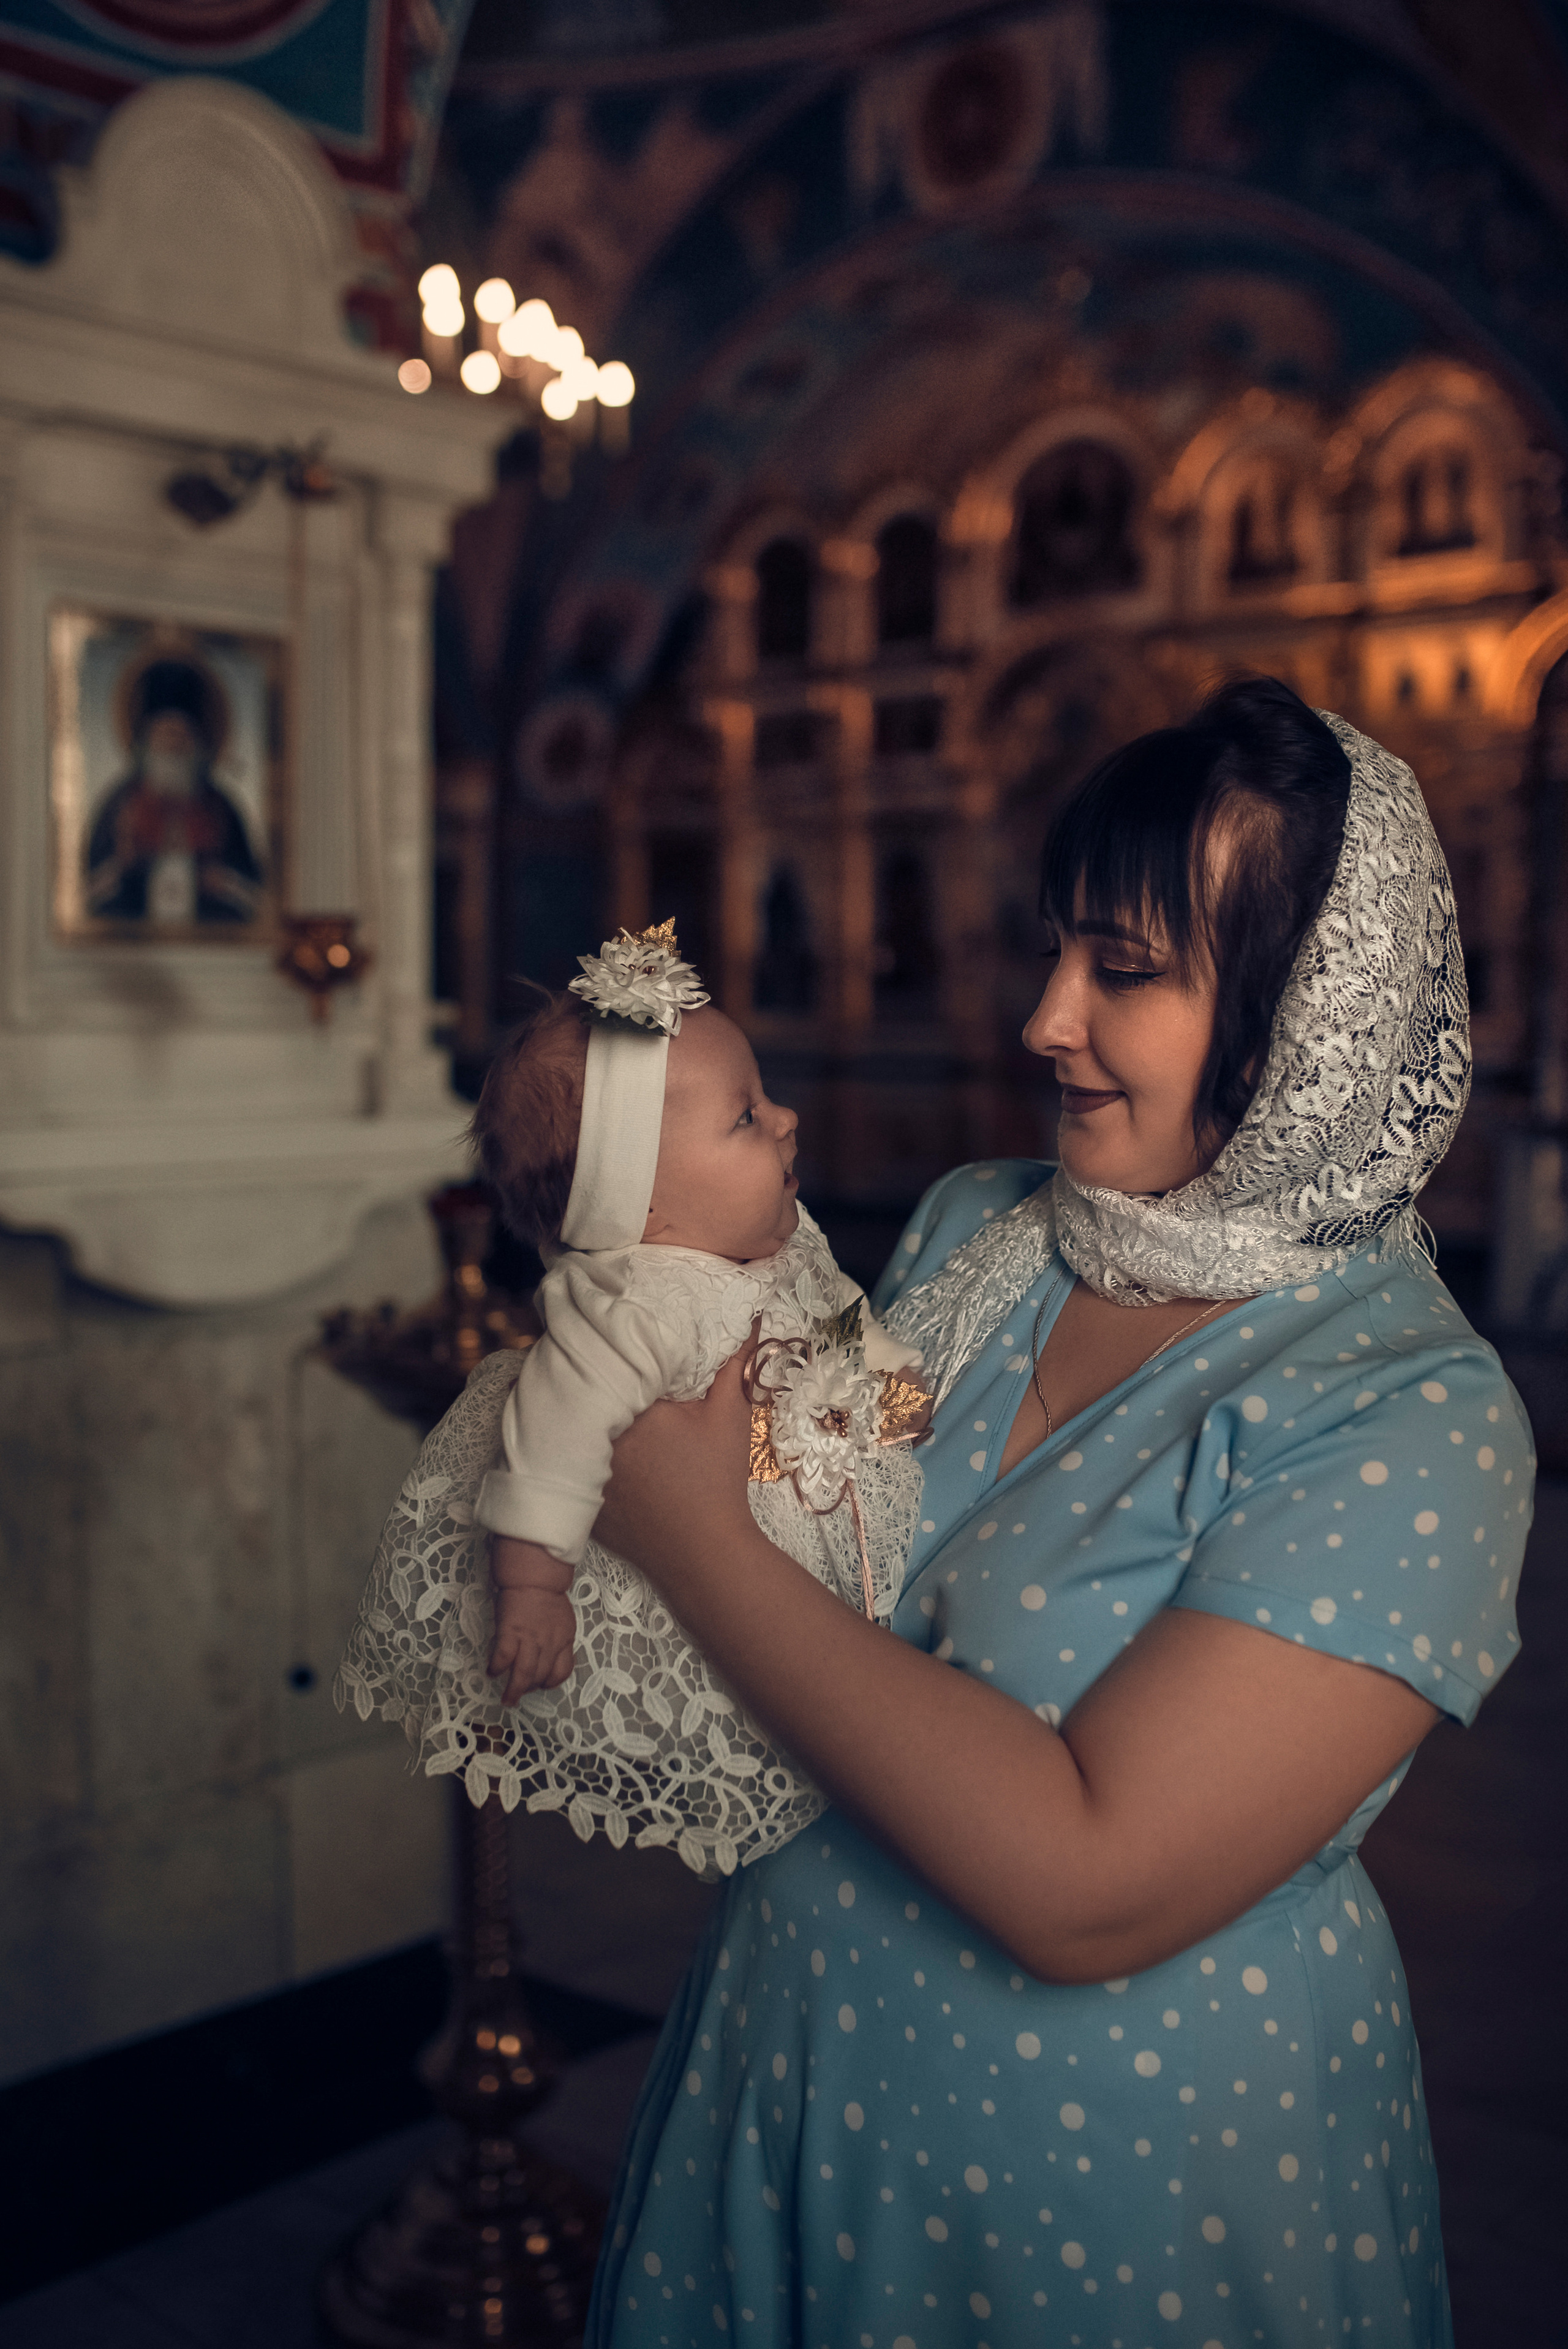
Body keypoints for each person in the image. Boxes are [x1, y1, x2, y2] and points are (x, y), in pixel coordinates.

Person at [582, 680, 1532, 2348]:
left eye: (1130, 969)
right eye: (1056, 950)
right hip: (792, 2055)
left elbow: (1087, 1883)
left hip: (1116, 2175)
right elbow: (814, 1511)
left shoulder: (1406, 1413)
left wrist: (694, 1537)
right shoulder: (986, 1227)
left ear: (1323, 1016)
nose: (1045, 1016)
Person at [335, 922, 925, 1880]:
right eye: (746, 1116)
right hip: (696, 1586)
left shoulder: (776, 1240)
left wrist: (892, 1383)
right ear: (640, 1206)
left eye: (766, 1097)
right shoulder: (639, 1300)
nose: (787, 1120)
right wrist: (534, 1586)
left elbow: (835, 1311)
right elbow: (553, 1435)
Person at [85, 657, 263, 928]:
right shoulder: (120, 804)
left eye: (182, 735)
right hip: (133, 942)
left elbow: (254, 896)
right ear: (146, 742)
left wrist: (218, 881)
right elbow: (87, 890)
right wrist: (128, 869)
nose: (173, 745)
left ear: (199, 743)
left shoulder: (221, 807)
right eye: (164, 735)